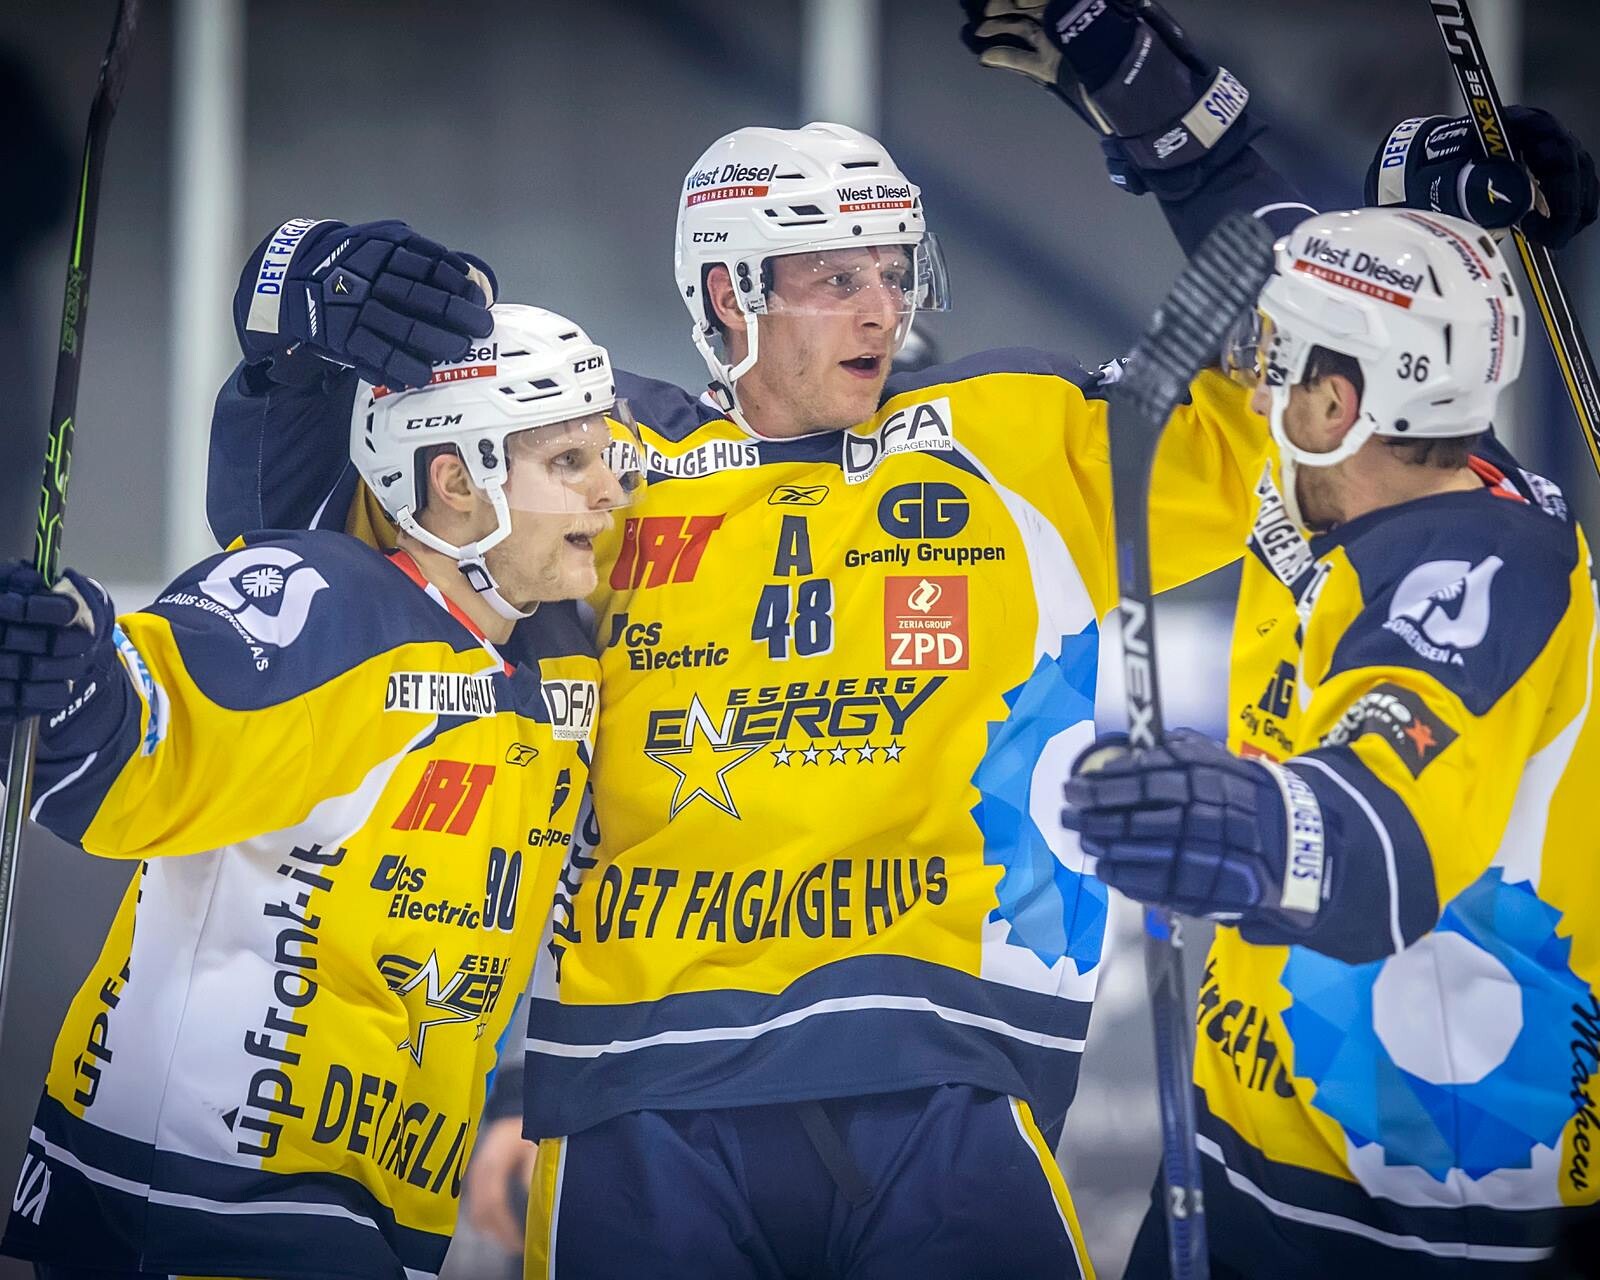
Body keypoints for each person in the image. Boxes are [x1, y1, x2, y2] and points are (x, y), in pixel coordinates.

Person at [196, 4, 1586, 1273]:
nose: (880, 306)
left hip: (953, 1088)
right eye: (830, 276)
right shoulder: (593, 456)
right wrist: (292, 346)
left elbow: (1324, 314)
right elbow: (302, 564)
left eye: (889, 269)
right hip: (638, 1098)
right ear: (733, 293)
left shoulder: (1026, 445)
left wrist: (1165, 86)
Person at [0, 301, 642, 1280]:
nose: (609, 493)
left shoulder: (556, 663)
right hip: (203, 1191)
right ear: (455, 479)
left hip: (382, 1205)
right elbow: (149, 727)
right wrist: (74, 659)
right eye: (569, 463)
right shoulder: (328, 603)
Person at [1063, 205, 1600, 1276]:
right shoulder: (1346, 480)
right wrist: (1143, 92)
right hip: (1237, 1163)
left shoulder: (1485, 579)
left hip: (1432, 1218)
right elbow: (1316, 247)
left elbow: (1378, 863)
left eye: (1275, 363)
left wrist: (1230, 820)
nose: (1252, 386)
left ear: (1333, 402)